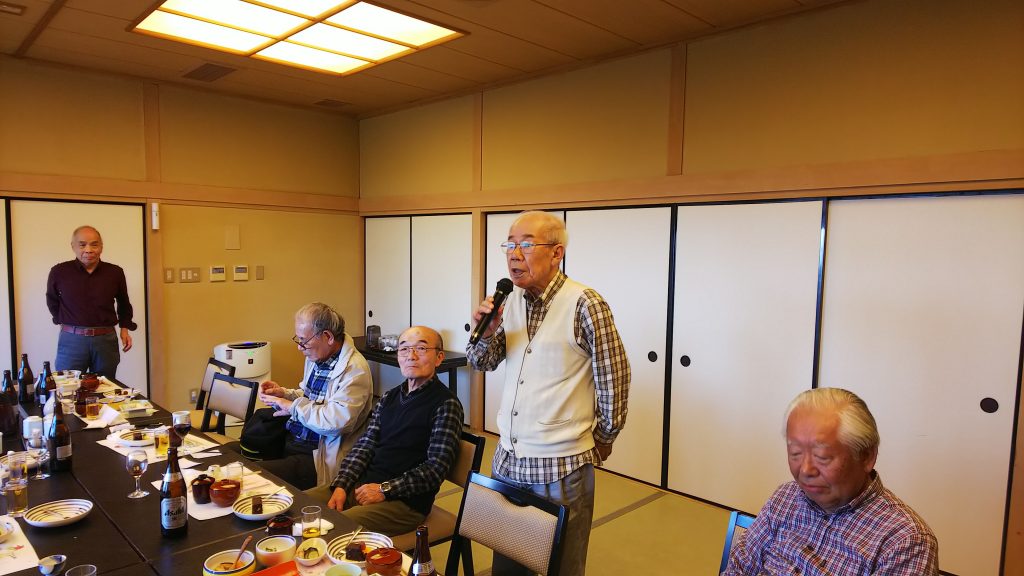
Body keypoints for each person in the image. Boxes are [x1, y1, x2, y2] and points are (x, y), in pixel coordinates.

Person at [466, 210, 630, 575]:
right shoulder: (509, 300)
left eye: (526, 245)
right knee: (507, 562)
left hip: (561, 465)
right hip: (508, 458)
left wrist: (604, 437)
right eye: (509, 244)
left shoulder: (585, 303)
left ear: (557, 253)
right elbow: (482, 362)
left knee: (562, 564)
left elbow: (614, 376)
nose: (513, 254)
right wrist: (486, 331)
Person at [723, 387, 939, 575]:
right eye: (795, 453)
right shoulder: (785, 497)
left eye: (822, 457)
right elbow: (738, 567)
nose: (805, 470)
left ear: (866, 456)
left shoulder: (905, 541)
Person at [326, 326, 463, 536]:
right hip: (364, 487)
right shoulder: (389, 397)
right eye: (404, 349)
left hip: (405, 503)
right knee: (304, 506)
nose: (411, 356)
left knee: (333, 528)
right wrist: (342, 485)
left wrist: (384, 489)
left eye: (421, 349)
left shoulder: (446, 404)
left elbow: (435, 469)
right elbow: (365, 445)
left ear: (439, 358)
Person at [258, 303, 373, 491]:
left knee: (255, 478)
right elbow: (309, 397)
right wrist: (285, 394)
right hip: (295, 438)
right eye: (298, 339)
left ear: (328, 336)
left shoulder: (354, 370)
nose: (300, 347)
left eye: (304, 340)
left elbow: (335, 423)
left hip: (318, 453)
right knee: (238, 458)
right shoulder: (317, 356)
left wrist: (291, 406)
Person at [46, 225, 136, 380]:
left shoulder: (115, 272)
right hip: (72, 340)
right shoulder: (59, 272)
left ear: (101, 247)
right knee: (67, 385)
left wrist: (124, 329)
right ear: (73, 246)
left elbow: (123, 302)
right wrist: (63, 321)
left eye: (94, 244)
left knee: (106, 385)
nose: (88, 250)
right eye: (82, 245)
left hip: (105, 339)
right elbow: (52, 300)